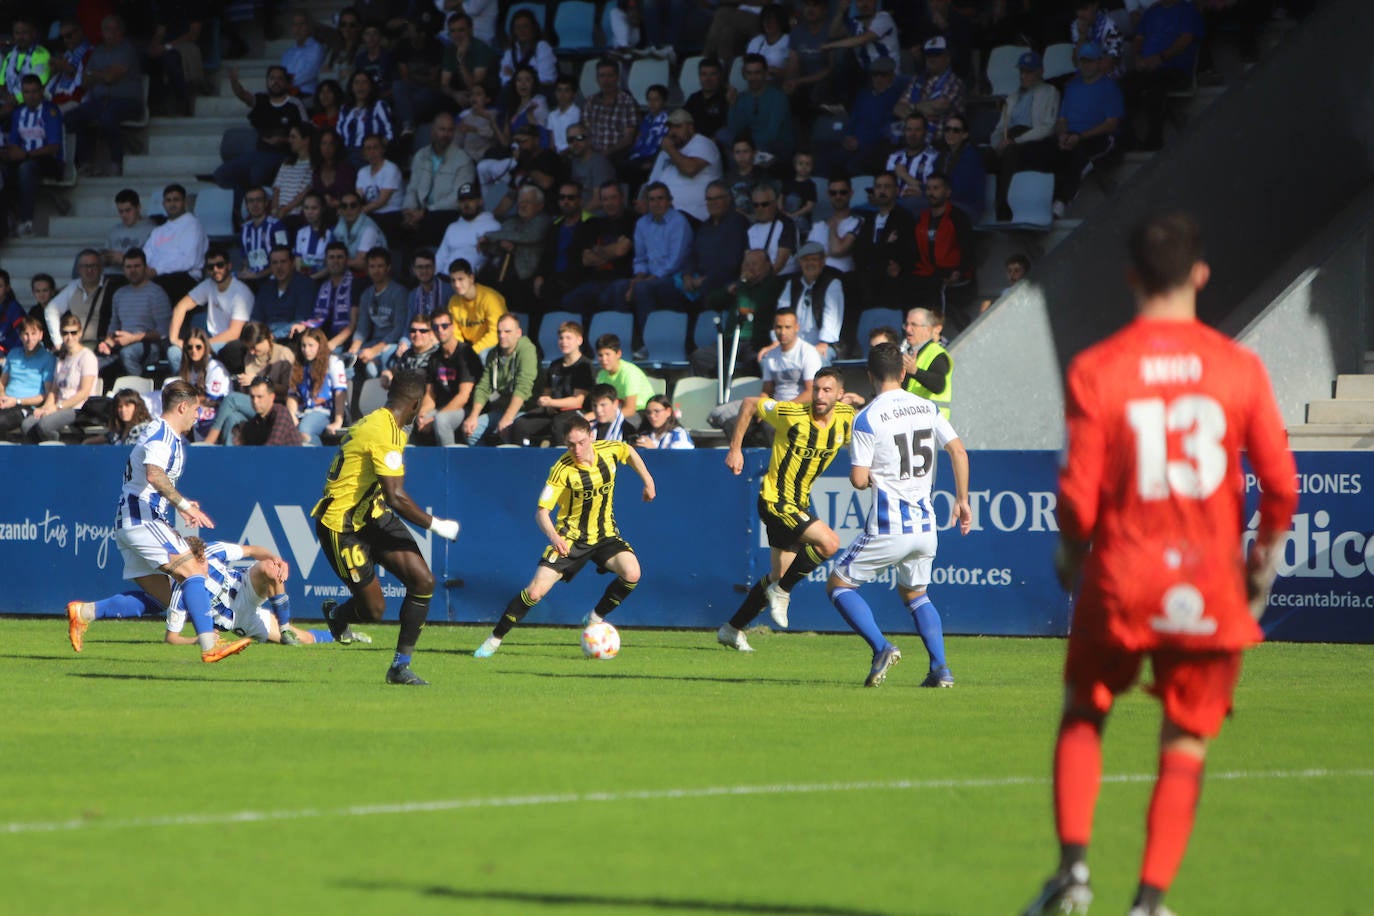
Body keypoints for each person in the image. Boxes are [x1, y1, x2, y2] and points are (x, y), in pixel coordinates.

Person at [1021, 213, 1298, 916]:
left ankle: (1074, 873)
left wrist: (1069, 552)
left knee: (1085, 712)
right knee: (1186, 740)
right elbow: (1283, 485)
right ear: (1200, 275)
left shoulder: (1097, 368)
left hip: (1122, 577)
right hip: (1208, 582)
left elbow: (1078, 497)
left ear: (1132, 278)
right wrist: (1260, 561)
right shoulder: (1239, 367)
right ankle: (1148, 902)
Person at [65, 379, 251, 664]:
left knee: (168, 597)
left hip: (138, 520)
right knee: (193, 574)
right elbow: (154, 474)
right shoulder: (161, 433)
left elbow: (153, 479)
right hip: (142, 519)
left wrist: (179, 503)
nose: (197, 416)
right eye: (196, 410)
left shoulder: (167, 435)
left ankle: (84, 612)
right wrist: (185, 505)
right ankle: (210, 644)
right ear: (183, 406)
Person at [826, 342, 971, 687]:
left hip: (890, 525)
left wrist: (870, 474)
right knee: (916, 595)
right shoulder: (927, 407)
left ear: (869, 376)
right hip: (926, 526)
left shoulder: (867, 417)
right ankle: (941, 670)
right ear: (904, 372)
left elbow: (859, 479)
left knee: (838, 585)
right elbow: (958, 451)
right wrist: (962, 500)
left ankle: (880, 648)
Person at [312, 369, 462, 685]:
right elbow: (396, 496)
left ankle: (399, 667)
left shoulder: (376, 420)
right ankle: (339, 615)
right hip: (342, 525)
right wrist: (437, 526)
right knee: (373, 611)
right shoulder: (386, 432)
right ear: (418, 402)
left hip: (372, 515)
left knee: (423, 581)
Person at [473, 413, 656, 658]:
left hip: (605, 535)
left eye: (581, 443)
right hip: (569, 539)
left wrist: (648, 481)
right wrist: (554, 537)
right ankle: (494, 640)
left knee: (632, 573)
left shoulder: (609, 450)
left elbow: (629, 452)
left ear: (592, 436)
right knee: (535, 592)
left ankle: (595, 617)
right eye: (570, 444)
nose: (576, 449)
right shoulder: (561, 470)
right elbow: (542, 512)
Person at [718, 367, 854, 651]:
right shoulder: (791, 415)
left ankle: (732, 628)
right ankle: (782, 592)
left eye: (827, 390)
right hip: (775, 500)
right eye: (816, 389)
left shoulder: (846, 420)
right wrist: (735, 448)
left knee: (779, 573)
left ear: (839, 395)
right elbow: (749, 404)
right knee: (829, 542)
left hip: (799, 502)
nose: (819, 395)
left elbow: (869, 420)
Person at [608, 182, 692, 354]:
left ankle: (650, 343)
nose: (656, 203)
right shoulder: (642, 223)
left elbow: (674, 262)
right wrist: (637, 278)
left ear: (669, 200)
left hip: (675, 278)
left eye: (660, 198)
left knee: (643, 289)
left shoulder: (678, 222)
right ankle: (623, 344)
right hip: (649, 277)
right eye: (652, 199)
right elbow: (640, 259)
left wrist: (641, 282)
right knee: (619, 287)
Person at [215, 65, 309, 215]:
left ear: (286, 82)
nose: (275, 82)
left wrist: (283, 140)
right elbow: (242, 94)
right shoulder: (261, 100)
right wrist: (234, 81)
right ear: (267, 81)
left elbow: (306, 132)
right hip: (258, 153)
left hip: (283, 156)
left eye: (279, 79)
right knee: (222, 174)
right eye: (272, 78)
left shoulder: (294, 104)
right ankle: (238, 213)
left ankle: (255, 215)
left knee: (255, 173)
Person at [1121, 0, 1204, 151]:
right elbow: (1138, 39)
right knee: (1123, 86)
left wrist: (1161, 58)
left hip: (1173, 67)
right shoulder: (1151, 12)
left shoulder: (1187, 10)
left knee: (1155, 86)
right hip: (1147, 68)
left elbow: (1186, 39)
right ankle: (1128, 139)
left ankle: (1154, 139)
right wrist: (1138, 57)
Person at [66, 15, 142, 178]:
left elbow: (110, 77)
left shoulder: (127, 49)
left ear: (121, 31)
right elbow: (84, 81)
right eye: (107, 29)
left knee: (108, 117)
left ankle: (117, 162)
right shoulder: (97, 51)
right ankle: (85, 164)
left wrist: (96, 74)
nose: (111, 33)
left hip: (127, 102)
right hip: (100, 102)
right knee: (72, 118)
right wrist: (102, 74)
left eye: (115, 29)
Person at [990, 52, 1061, 223]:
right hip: (1010, 138)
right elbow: (999, 129)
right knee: (983, 157)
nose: (1023, 76)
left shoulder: (1050, 92)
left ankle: (1005, 211)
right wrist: (996, 145)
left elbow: (1048, 127)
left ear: (1040, 72)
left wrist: (1015, 141)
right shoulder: (1012, 97)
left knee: (1011, 154)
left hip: (1034, 140)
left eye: (1029, 72)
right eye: (1022, 71)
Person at [509, 319, 596, 447]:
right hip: (553, 411)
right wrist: (546, 403)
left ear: (579, 340)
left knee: (560, 425)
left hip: (576, 412)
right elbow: (547, 393)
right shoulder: (555, 365)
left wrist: (551, 403)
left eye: (568, 338)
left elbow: (578, 401)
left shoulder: (584, 366)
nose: (564, 342)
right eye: (561, 338)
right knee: (520, 423)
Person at [909, 172, 977, 334]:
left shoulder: (958, 217)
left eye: (936, 188)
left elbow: (968, 249)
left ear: (947, 192)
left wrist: (959, 272)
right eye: (929, 188)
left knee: (936, 290)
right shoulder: (922, 218)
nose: (931, 193)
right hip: (927, 272)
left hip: (953, 273)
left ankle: (936, 335)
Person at [167, 250, 253, 372]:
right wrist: (174, 338)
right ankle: (184, 387)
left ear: (229, 266)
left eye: (220, 265)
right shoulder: (208, 284)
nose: (215, 269)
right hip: (209, 340)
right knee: (173, 352)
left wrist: (202, 344)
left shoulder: (241, 292)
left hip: (230, 345)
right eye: (211, 267)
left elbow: (234, 332)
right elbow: (181, 306)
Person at [461, 312, 538, 444]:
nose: (502, 336)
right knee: (471, 430)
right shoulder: (493, 353)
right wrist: (473, 416)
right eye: (499, 332)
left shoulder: (527, 349)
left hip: (524, 410)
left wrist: (508, 417)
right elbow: (483, 386)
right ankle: (485, 463)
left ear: (518, 333)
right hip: (500, 409)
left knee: (509, 429)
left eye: (507, 332)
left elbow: (523, 386)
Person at [399, 112, 475, 243]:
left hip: (446, 213)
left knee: (430, 223)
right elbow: (412, 189)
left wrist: (425, 212)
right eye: (442, 129)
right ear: (433, 130)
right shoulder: (420, 156)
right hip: (421, 212)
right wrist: (409, 211)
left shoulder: (463, 159)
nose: (445, 134)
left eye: (450, 130)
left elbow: (459, 197)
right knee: (397, 224)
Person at [97, 248, 172, 378]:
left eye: (137, 266)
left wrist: (132, 338)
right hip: (121, 343)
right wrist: (108, 343)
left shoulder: (156, 293)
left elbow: (163, 332)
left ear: (145, 267)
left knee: (128, 354)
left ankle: (138, 391)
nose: (133, 270)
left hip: (150, 346)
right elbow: (114, 326)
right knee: (93, 360)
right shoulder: (119, 294)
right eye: (128, 267)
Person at [4, 74, 64, 237]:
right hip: (26, 159)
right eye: (26, 92)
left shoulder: (50, 111)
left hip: (51, 162)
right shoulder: (18, 113)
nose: (30, 96)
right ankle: (7, 219)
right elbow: (14, 143)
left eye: (34, 91)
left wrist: (25, 154)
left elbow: (53, 147)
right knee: (5, 170)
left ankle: (26, 221)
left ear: (42, 91)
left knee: (26, 168)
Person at [413, 307, 483, 446]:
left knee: (441, 420)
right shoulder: (434, 358)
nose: (440, 330)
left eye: (444, 326)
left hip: (467, 409)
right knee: (415, 420)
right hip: (443, 408)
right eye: (436, 327)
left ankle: (450, 463)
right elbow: (430, 395)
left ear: (452, 327)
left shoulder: (466, 354)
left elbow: (464, 396)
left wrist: (433, 420)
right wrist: (422, 414)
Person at [646, 108, 722, 224]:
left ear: (690, 127)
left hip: (695, 216)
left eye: (678, 127)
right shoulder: (665, 152)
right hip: (665, 215)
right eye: (670, 127)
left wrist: (670, 149)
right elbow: (652, 184)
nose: (672, 132)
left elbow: (689, 169)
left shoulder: (703, 144)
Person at [773, 241, 842, 365]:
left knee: (814, 361)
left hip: (822, 345)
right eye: (805, 260)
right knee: (768, 359)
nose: (810, 263)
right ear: (800, 262)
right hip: (792, 345)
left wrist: (823, 343)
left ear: (822, 262)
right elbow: (781, 314)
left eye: (814, 259)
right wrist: (776, 342)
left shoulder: (832, 284)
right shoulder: (792, 284)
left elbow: (832, 318)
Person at [348, 246, 407, 382]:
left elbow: (399, 329)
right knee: (348, 363)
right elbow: (363, 327)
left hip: (393, 344)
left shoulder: (399, 292)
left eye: (380, 266)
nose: (376, 270)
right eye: (372, 266)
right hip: (372, 343)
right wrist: (354, 347)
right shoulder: (367, 294)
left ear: (388, 268)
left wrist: (375, 350)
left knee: (371, 370)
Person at [144, 184, 209, 305]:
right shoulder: (158, 231)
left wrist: (157, 270)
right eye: (168, 200)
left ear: (184, 202)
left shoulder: (193, 225)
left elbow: (189, 261)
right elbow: (145, 255)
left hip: (184, 278)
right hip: (157, 277)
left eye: (176, 200)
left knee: (157, 289)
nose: (172, 204)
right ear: (163, 204)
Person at [293, 241, 359, 353]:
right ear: (326, 260)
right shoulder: (323, 286)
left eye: (339, 257)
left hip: (346, 341)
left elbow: (354, 324)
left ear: (346, 260)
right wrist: (303, 326)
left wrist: (331, 344)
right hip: (323, 337)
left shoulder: (356, 284)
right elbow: (316, 318)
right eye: (331, 257)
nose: (335, 261)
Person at [724, 53, 794, 159]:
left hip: (776, 148)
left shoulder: (778, 97)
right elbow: (734, 129)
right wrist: (732, 105)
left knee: (743, 152)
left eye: (757, 73)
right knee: (723, 135)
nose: (753, 78)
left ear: (766, 74)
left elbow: (772, 134)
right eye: (749, 73)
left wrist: (746, 147)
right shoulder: (742, 97)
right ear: (744, 75)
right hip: (753, 146)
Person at [288, 327, 348, 444]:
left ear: (320, 345)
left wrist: (338, 421)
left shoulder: (333, 362)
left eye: (311, 345)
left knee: (304, 429)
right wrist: (291, 414)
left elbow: (340, 392)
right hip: (303, 411)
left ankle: (318, 456)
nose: (306, 350)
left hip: (326, 412)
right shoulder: (298, 365)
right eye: (303, 346)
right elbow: (292, 395)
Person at [0, 315, 56, 437]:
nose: (29, 338)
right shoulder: (13, 354)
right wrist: (2, 395)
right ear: (20, 336)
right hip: (5, 402)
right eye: (26, 334)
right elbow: (2, 383)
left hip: (25, 407)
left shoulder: (48, 359)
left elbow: (45, 395)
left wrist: (17, 401)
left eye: (33, 334)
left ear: (41, 335)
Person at [435, 183, 502, 279]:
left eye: (470, 199)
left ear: (480, 201)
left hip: (474, 282)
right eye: (462, 201)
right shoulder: (452, 227)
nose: (466, 204)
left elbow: (496, 260)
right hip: (446, 278)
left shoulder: (493, 226)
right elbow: (440, 258)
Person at [47, 251, 112, 347]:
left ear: (101, 268)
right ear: (78, 269)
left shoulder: (111, 287)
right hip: (76, 346)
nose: (89, 270)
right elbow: (51, 310)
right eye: (85, 266)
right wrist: (58, 342)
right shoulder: (72, 287)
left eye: (93, 266)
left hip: (102, 346)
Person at [253, 245, 317, 339]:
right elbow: (255, 319)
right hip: (263, 339)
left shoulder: (305, 285)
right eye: (275, 263)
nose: (279, 267)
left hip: (291, 340)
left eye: (283, 262)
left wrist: (272, 336)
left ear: (292, 263)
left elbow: (301, 321)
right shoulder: (265, 288)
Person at [446, 257, 505, 355]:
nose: (456, 284)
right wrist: (460, 352)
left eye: (461, 279)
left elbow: (496, 334)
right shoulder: (453, 302)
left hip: (496, 348)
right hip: (470, 349)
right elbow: (455, 334)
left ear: (471, 278)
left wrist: (471, 352)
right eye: (453, 280)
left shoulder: (490, 298)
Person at [594, 333, 655, 427]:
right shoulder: (602, 375)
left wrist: (603, 416)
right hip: (616, 411)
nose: (604, 359)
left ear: (618, 354)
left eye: (607, 354)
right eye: (600, 355)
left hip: (642, 413)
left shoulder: (629, 373)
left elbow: (630, 410)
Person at [901, 307, 951, 420]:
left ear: (928, 329)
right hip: (914, 419)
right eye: (906, 324)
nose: (908, 329)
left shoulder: (937, 353)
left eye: (914, 325)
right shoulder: (907, 351)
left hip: (932, 422)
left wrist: (915, 371)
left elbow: (939, 385)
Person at [583, 60, 639, 160]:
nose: (606, 80)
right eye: (602, 76)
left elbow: (628, 139)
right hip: (593, 153)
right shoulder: (590, 102)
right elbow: (586, 132)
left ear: (617, 78)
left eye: (610, 75)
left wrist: (604, 154)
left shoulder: (627, 102)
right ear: (597, 79)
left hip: (617, 153)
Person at [238, 187, 291, 283]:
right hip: (251, 279)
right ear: (246, 205)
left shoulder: (277, 226)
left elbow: (284, 258)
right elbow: (245, 258)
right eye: (251, 201)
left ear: (266, 203)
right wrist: (244, 272)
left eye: (259, 200)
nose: (255, 204)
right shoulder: (244, 229)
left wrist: (258, 276)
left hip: (273, 280)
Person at [234, 374, 303, 446]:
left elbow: (272, 446)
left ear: (272, 397)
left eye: (260, 397)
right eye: (252, 397)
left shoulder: (281, 414)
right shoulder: (256, 421)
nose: (255, 401)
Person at [282, 11, 326, 97]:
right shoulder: (288, 53)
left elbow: (311, 72)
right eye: (295, 25)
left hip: (307, 93)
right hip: (288, 93)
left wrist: (287, 84)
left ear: (309, 27)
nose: (298, 28)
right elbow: (283, 72)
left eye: (301, 24)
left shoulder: (316, 48)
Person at [86, 386, 151, 444]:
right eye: (120, 406)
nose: (123, 410)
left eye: (127, 406)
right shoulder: (118, 431)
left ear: (137, 407)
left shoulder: (144, 430)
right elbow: (106, 437)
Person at [294, 192, 333, 279]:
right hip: (304, 279)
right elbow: (298, 261)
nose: (309, 212)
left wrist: (312, 278)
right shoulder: (301, 232)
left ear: (322, 209)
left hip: (324, 280)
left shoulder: (331, 233)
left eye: (314, 208)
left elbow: (332, 265)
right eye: (306, 208)